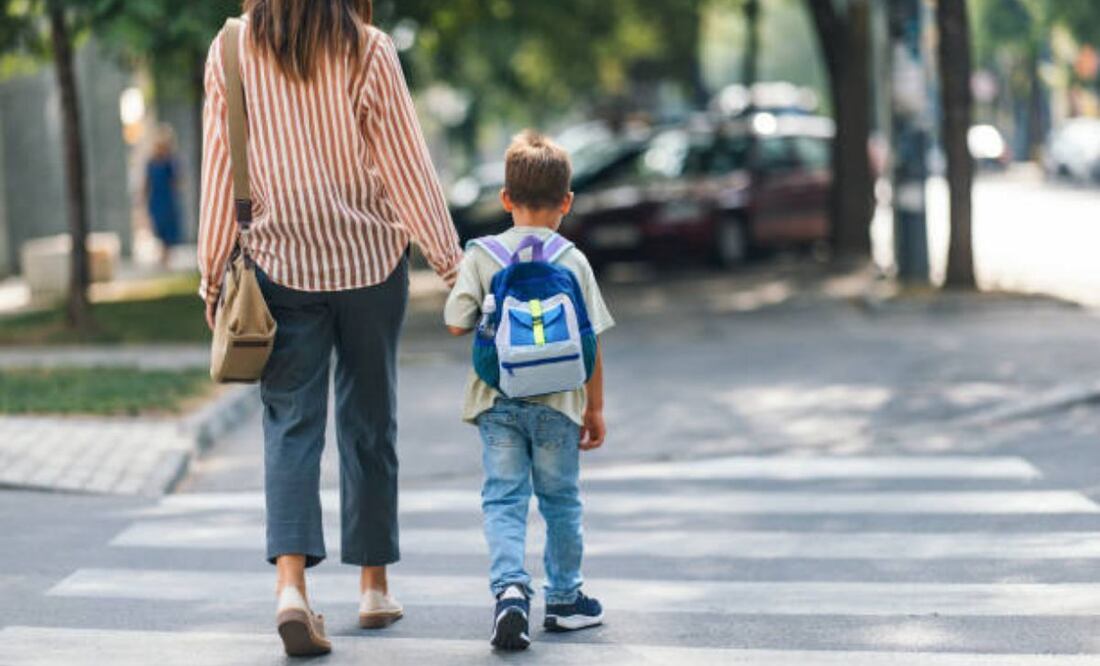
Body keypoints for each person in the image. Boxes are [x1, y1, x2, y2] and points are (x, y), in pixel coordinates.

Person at [197, 0, 463, 657]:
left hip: (279, 263)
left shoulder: (230, 49)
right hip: (369, 263)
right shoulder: (368, 48)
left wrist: (212, 273)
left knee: (290, 422)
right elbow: (406, 165)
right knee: (370, 418)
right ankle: (373, 588)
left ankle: (291, 590)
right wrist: (452, 266)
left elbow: (221, 170)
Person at [444, 131, 614, 651]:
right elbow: (591, 342)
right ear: (567, 202)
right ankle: (564, 599)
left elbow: (455, 323)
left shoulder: (482, 255)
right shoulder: (573, 260)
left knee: (504, 497)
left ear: (504, 198)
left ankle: (510, 590)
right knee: (561, 501)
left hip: (497, 402)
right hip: (559, 404)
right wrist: (595, 408)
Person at [145, 125, 183, 268]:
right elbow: (147, 182)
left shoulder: (170, 162)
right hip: (156, 199)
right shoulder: (151, 162)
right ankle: (163, 253)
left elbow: (177, 181)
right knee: (158, 226)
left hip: (168, 199)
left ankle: (166, 255)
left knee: (169, 227)